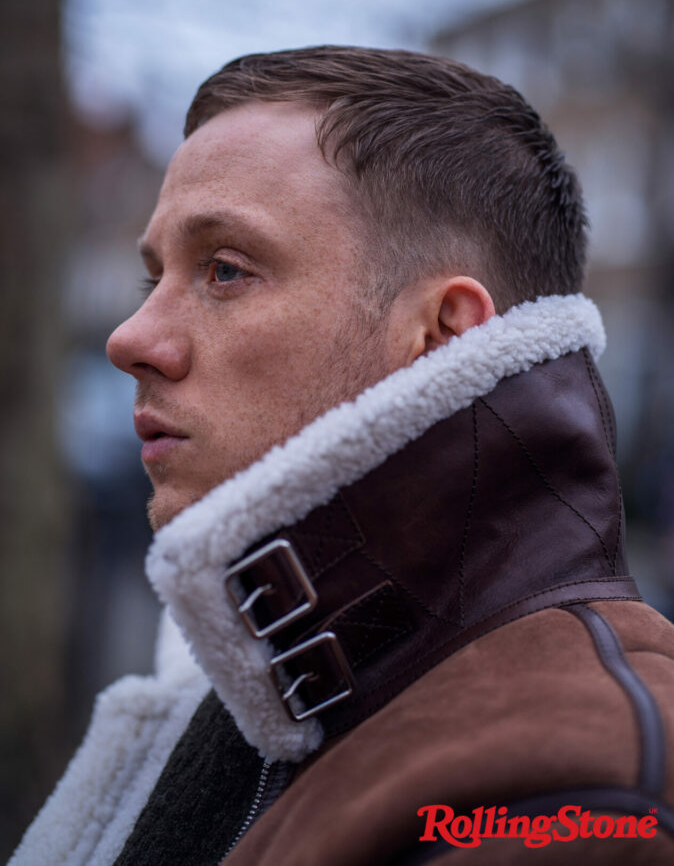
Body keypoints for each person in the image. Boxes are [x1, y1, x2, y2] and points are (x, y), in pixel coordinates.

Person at [11, 46, 674, 865]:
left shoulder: (584, 783)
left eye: (224, 270)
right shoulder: (244, 690)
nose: (130, 338)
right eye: (153, 276)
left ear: (442, 336)